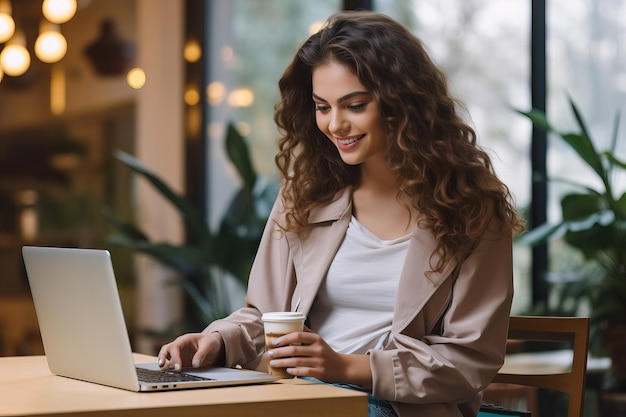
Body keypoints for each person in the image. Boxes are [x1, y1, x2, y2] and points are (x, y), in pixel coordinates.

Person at [158, 10, 525, 417]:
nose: (335, 125)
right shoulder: (305, 196)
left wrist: (347, 366)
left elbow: (469, 360)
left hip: (396, 406)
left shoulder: (473, 210)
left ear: (402, 102)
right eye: (322, 107)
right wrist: (218, 340)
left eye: (354, 105)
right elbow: (264, 315)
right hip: (301, 397)